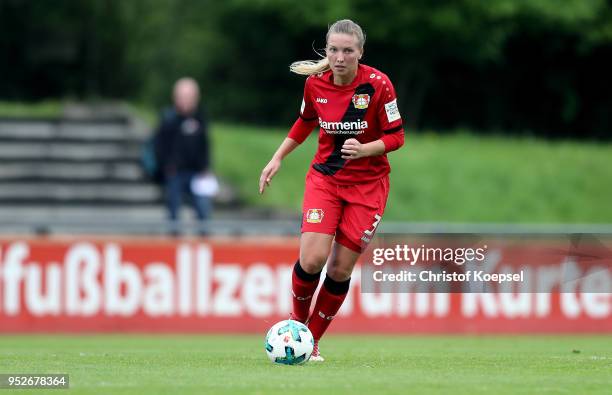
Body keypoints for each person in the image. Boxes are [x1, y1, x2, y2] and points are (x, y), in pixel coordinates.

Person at [259, 19, 405, 361]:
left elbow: (397, 137)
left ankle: (312, 342)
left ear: (360, 53)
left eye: (348, 51)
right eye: (334, 50)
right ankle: (297, 326)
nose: (340, 57)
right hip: (326, 179)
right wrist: (277, 157)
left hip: (368, 186)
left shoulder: (378, 84)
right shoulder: (315, 85)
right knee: (312, 259)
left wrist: (365, 149)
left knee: (339, 270)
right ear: (327, 51)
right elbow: (306, 121)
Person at [154, 77, 212, 235]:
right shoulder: (168, 119)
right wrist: (166, 166)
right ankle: (174, 241)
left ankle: (205, 240)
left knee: (203, 209)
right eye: (183, 97)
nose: (186, 101)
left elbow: (205, 145)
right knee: (173, 209)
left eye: (189, 97)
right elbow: (159, 146)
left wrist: (205, 167)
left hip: (196, 172)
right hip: (175, 172)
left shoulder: (200, 118)